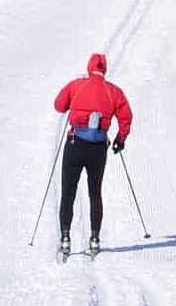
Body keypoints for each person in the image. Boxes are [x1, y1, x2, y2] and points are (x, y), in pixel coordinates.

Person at [53, 52, 132, 255]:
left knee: (68, 191)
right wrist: (120, 140)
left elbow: (59, 106)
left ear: (89, 68)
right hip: (98, 148)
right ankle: (95, 238)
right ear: (104, 69)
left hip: (76, 142)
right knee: (95, 192)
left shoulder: (76, 86)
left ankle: (65, 237)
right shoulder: (114, 92)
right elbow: (126, 116)